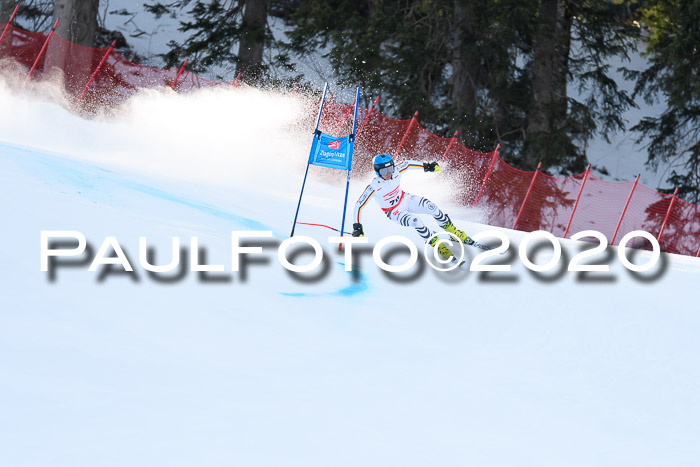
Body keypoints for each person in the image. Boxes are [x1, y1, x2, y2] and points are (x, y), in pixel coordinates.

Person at [351, 153, 473, 259]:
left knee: (432, 207)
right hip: (394, 212)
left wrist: (427, 166)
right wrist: (357, 226)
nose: (389, 174)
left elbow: (407, 164)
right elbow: (359, 205)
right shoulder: (374, 186)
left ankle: (454, 232)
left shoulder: (396, 172)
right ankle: (439, 246)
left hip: (406, 199)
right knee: (416, 221)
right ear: (377, 171)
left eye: (390, 169)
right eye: (384, 171)